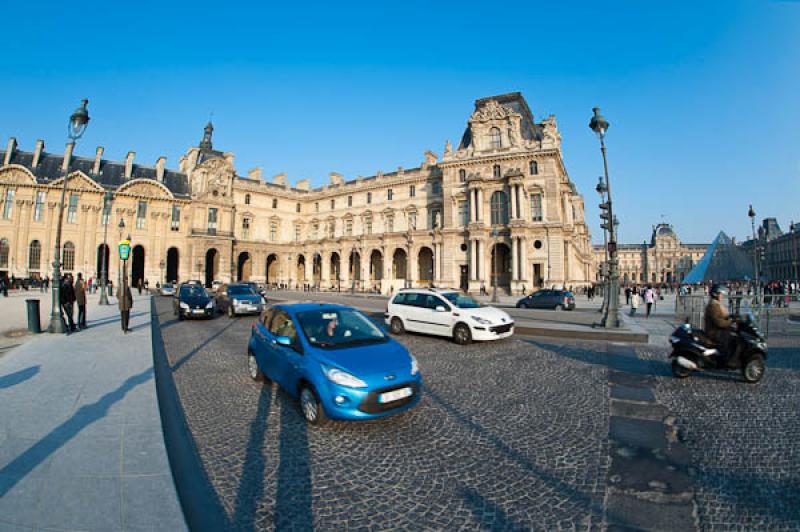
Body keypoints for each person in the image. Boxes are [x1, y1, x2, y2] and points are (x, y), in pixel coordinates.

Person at [704, 284, 735, 363]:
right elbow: (719, 322)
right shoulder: (713, 305)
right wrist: (730, 321)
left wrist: (732, 316)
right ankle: (724, 359)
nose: (722, 296)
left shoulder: (716, 303)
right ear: (716, 294)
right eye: (721, 294)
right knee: (729, 338)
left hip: (716, 329)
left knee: (734, 333)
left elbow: (723, 315)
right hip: (713, 331)